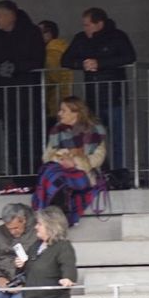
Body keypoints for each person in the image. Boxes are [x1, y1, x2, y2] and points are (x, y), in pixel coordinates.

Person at [61, 7, 136, 171]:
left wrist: (100, 64)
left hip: (114, 95)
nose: (85, 28)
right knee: (92, 138)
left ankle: (119, 172)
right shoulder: (81, 38)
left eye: (87, 25)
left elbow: (129, 56)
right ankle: (101, 170)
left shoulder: (117, 36)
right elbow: (65, 60)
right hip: (92, 97)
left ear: (99, 24)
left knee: (117, 138)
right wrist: (82, 64)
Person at [0, 0, 45, 183]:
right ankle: (17, 177)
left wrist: (17, 67)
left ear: (11, 16)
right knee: (12, 140)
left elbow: (38, 60)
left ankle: (34, 177)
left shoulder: (31, 33)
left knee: (31, 139)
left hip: (29, 97)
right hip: (6, 98)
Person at [32, 96, 107, 226]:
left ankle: (53, 216)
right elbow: (47, 157)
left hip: (85, 173)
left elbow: (98, 159)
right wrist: (62, 159)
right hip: (61, 171)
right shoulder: (57, 130)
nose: (59, 113)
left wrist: (74, 163)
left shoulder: (95, 130)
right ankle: (60, 213)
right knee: (50, 171)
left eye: (63, 110)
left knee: (55, 177)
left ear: (75, 113)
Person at [38, 20, 72, 121]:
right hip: (61, 98)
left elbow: (53, 77)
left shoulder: (52, 52)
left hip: (54, 101)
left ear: (49, 33)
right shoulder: (60, 49)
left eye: (40, 32)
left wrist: (39, 84)